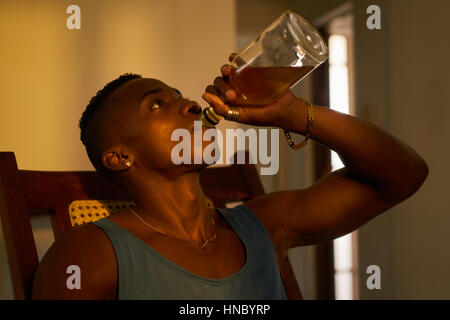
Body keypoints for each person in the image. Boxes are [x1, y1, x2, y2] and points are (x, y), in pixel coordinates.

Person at [31, 58, 428, 299]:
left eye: (179, 95)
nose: (188, 104)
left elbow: (402, 175)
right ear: (119, 157)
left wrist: (293, 115)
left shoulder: (265, 224)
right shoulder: (89, 253)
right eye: (156, 104)